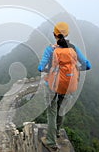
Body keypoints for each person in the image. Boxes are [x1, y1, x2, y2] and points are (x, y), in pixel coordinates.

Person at [38, 21, 91, 150]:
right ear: (67, 34)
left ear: (54, 34)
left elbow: (40, 67)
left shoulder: (50, 49)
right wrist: (76, 68)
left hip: (51, 85)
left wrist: (49, 70)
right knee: (61, 110)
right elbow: (87, 65)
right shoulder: (73, 48)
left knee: (51, 112)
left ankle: (50, 141)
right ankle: (56, 132)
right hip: (68, 85)